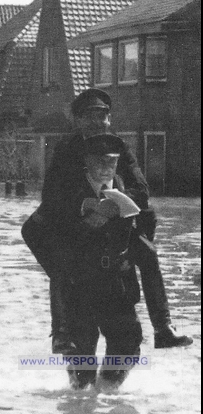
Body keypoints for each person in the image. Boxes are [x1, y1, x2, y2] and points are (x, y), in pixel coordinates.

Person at [22, 88, 192, 352]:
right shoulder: (66, 149)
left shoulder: (120, 146)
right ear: (78, 121)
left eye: (103, 117)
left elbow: (142, 190)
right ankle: (61, 333)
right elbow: (51, 196)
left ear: (110, 120)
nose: (97, 122)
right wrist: (84, 203)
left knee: (148, 253)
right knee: (62, 261)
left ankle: (163, 327)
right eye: (90, 117)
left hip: (115, 225)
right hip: (78, 226)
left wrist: (116, 201)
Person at [62, 133, 144, 390]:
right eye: (99, 161)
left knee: (128, 345)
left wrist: (129, 256)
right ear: (87, 161)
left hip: (117, 282)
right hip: (81, 283)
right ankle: (80, 398)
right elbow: (51, 231)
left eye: (111, 161)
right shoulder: (69, 194)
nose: (105, 166)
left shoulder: (127, 190)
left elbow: (145, 224)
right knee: (80, 354)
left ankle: (107, 391)